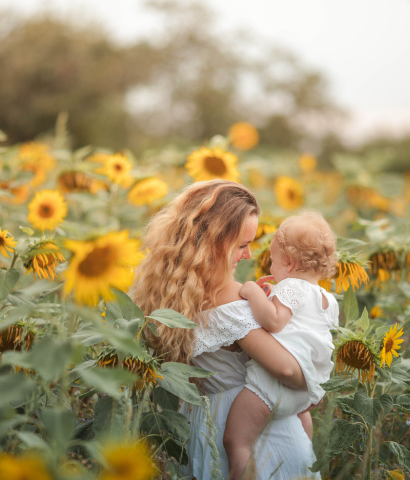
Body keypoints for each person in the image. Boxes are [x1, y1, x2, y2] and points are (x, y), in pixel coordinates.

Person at [129, 179, 320, 479]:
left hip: (205, 425)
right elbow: (285, 369)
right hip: (263, 439)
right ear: (214, 242)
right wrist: (313, 383)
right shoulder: (231, 299)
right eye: (242, 245)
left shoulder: (172, 294)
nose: (247, 256)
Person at [223, 212, 339, 480]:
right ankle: (302, 469)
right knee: (299, 436)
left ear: (288, 262)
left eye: (272, 261)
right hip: (304, 392)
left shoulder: (292, 288)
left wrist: (252, 291)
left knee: (237, 441)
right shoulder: (326, 299)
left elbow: (274, 322)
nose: (271, 269)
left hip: (270, 386)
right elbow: (303, 333)